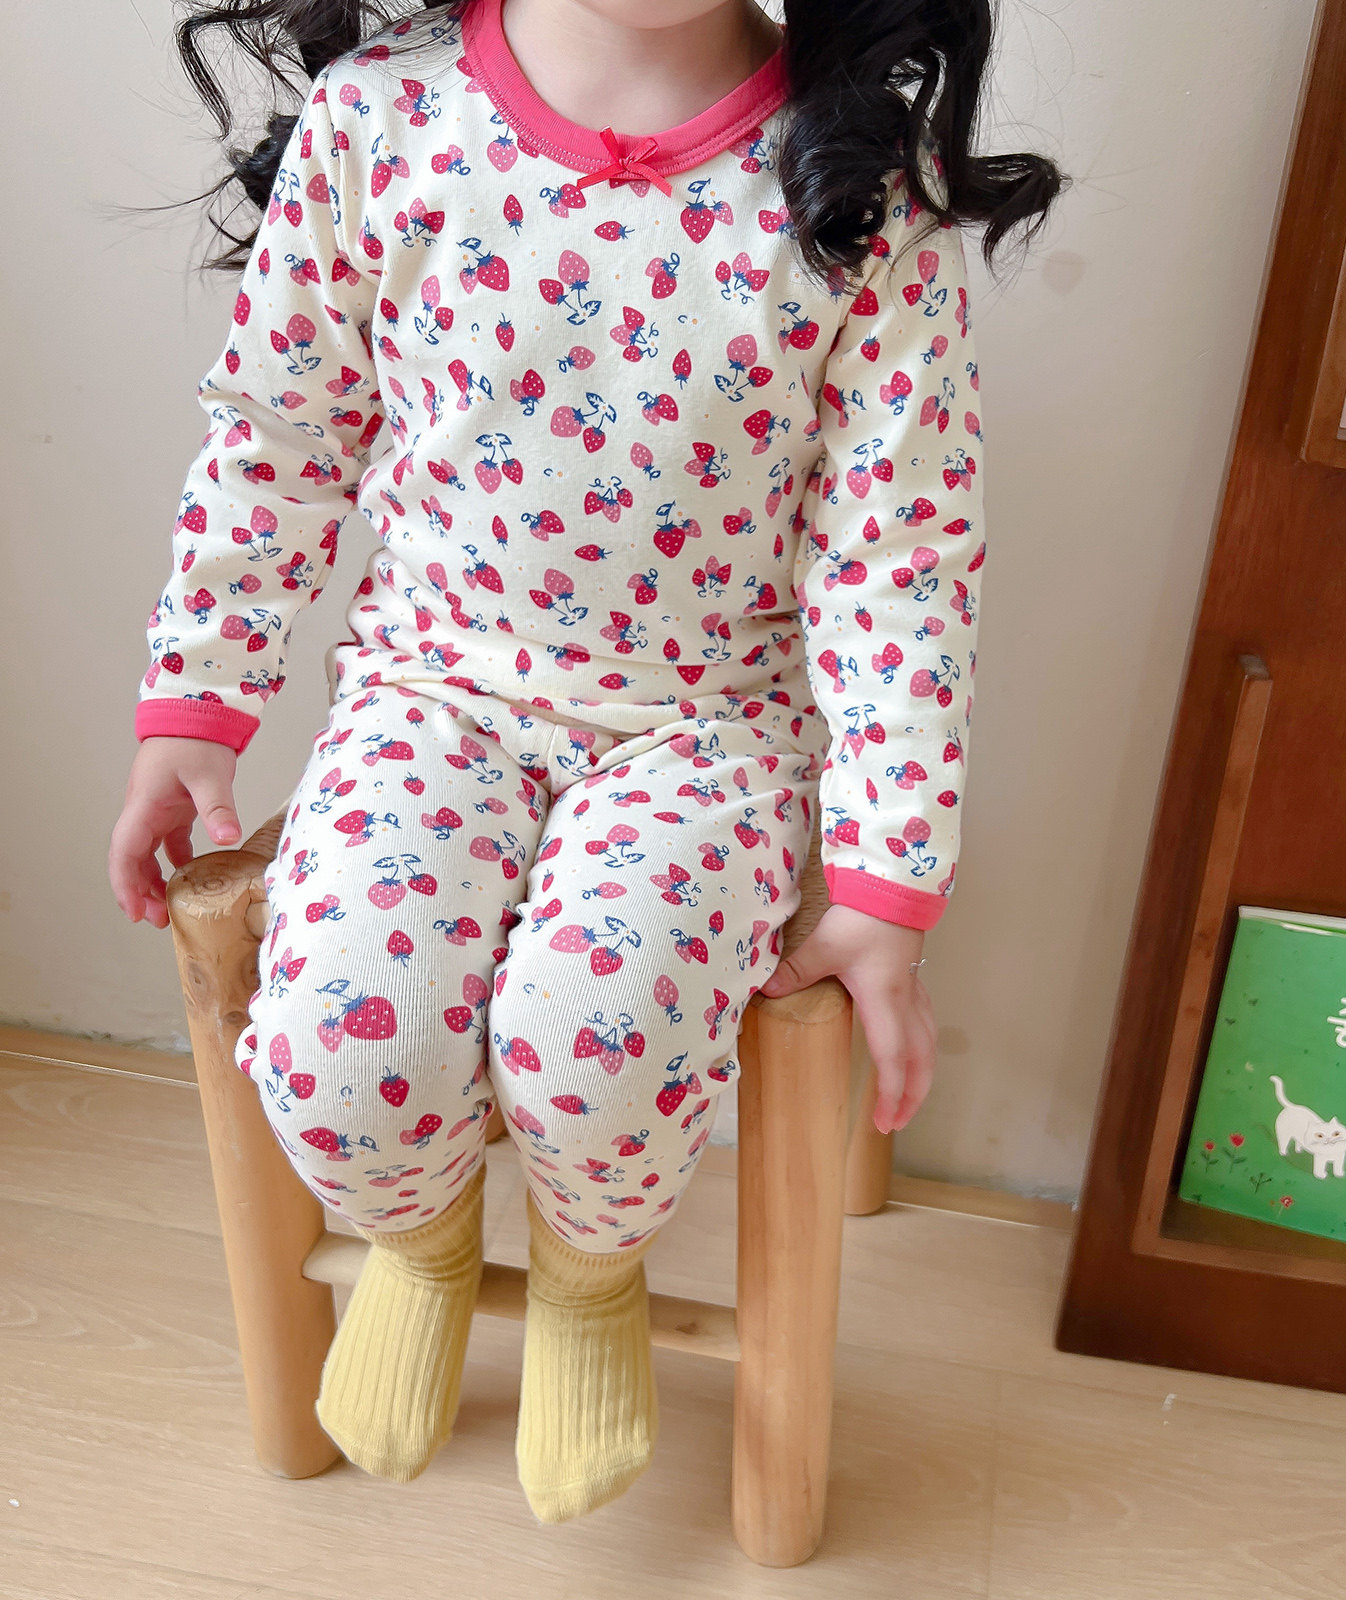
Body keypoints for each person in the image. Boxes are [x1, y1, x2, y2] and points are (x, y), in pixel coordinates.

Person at [108, 0, 1063, 1523]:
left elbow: (897, 557)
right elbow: (281, 434)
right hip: (432, 695)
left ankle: (585, 1275)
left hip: (710, 728)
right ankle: (421, 1248)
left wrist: (892, 876)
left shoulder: (859, 184)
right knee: (345, 1042)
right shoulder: (382, 118)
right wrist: (195, 702)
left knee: (600, 1043)